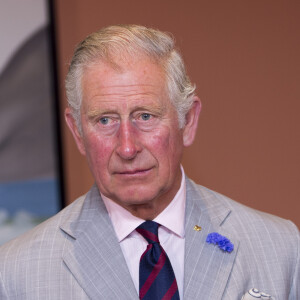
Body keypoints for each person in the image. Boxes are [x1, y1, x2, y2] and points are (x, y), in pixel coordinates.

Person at [0, 24, 299, 300]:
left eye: (145, 116)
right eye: (105, 120)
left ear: (188, 120)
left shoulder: (280, 248)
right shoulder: (16, 273)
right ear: (77, 131)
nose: (127, 147)